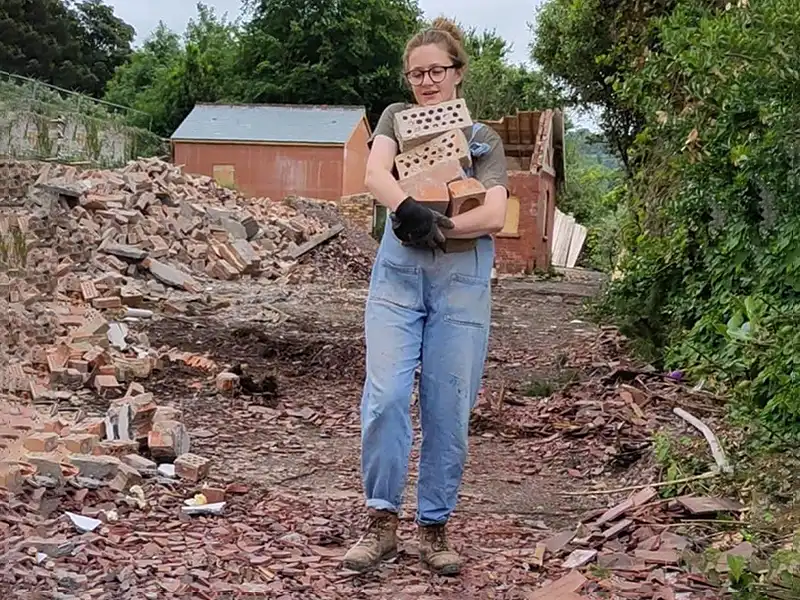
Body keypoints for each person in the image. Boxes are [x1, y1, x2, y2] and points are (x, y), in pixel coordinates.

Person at [342, 17, 509, 576]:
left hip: (460, 282)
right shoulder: (395, 118)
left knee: (448, 408)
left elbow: (495, 213)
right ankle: (381, 523)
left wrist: (444, 230)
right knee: (386, 396)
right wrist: (407, 210)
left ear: (458, 74)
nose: (427, 82)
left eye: (436, 71)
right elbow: (374, 172)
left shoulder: (483, 137)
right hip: (398, 275)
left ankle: (434, 528)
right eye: (417, 74)